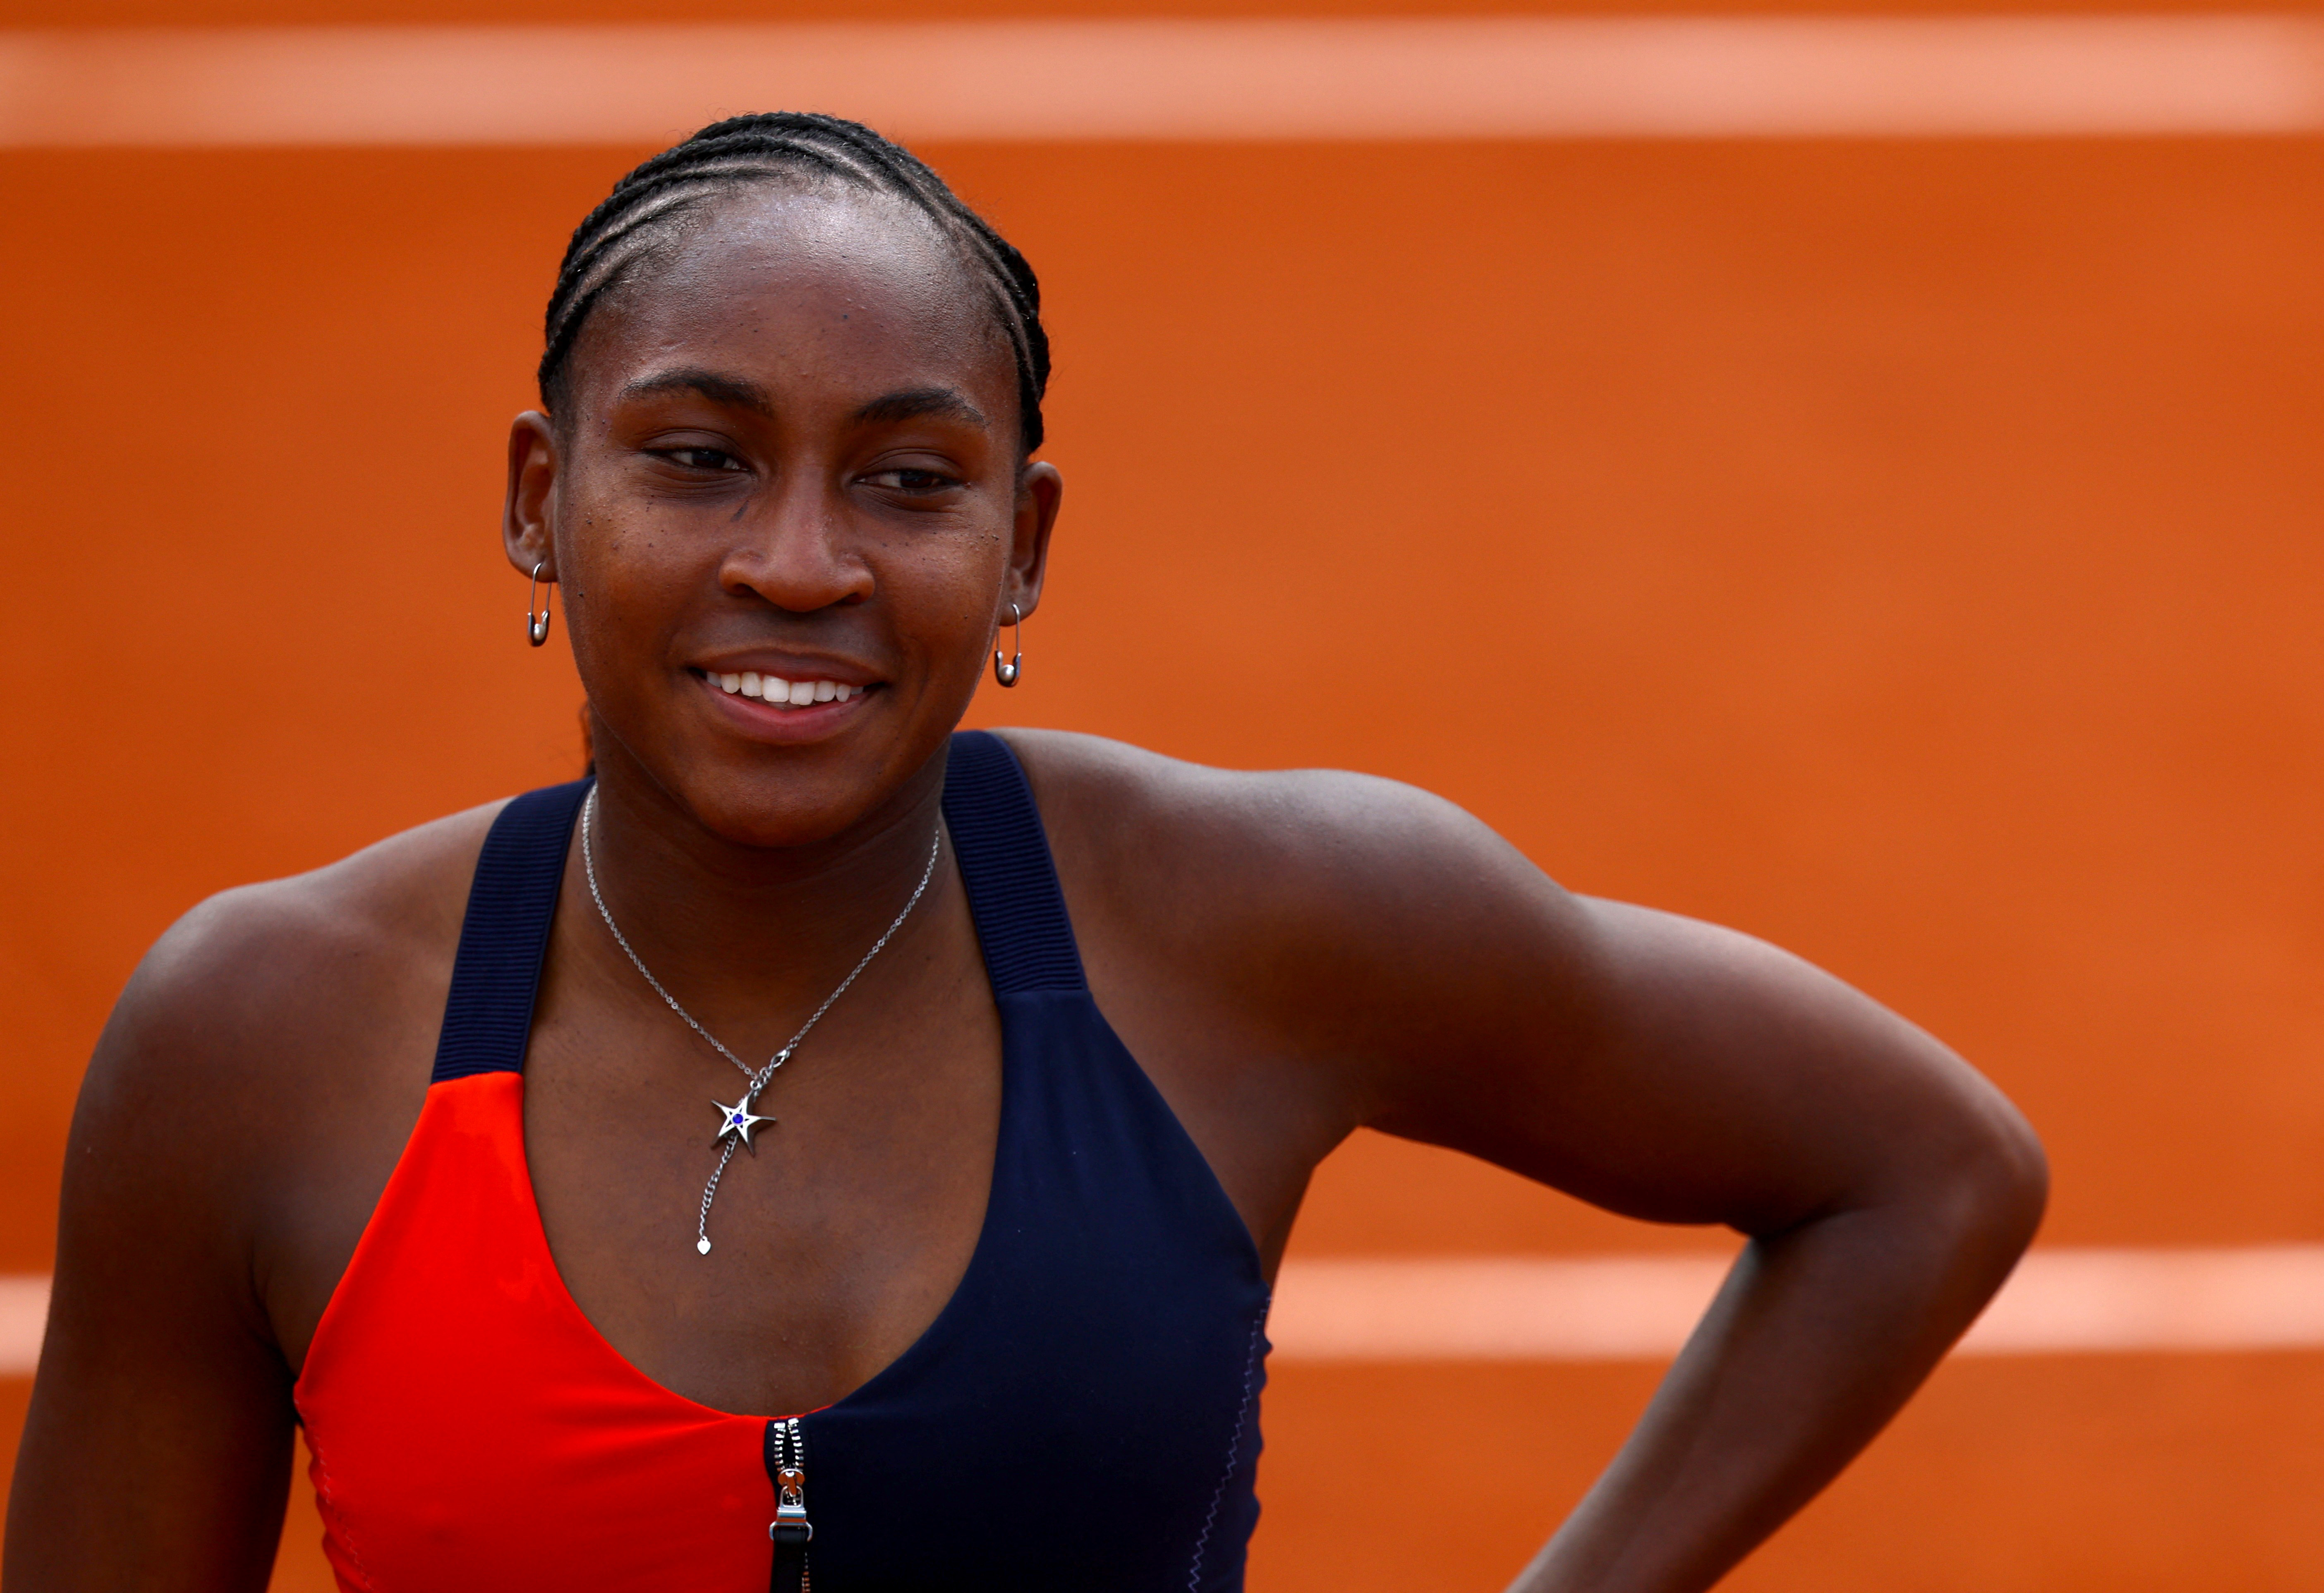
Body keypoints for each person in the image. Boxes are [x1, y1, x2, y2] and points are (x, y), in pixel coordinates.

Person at [3, 113, 2045, 1593]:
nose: (798, 563)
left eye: (908, 480)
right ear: (541, 498)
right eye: (698, 458)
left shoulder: (1260, 925)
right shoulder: (258, 1039)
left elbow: (1919, 1167)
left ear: (1023, 548)